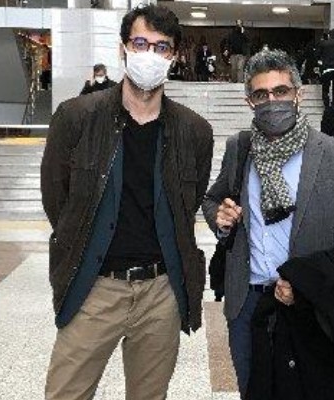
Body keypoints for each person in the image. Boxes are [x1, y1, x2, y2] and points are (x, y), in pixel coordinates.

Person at [41, 5, 213, 400]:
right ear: (123, 48)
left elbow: (186, 206)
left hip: (160, 292)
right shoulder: (77, 117)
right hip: (94, 286)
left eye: (161, 47)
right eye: (140, 43)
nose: (150, 55)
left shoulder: (194, 132)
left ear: (174, 57)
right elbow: (57, 200)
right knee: (66, 393)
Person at [202, 49, 334, 399]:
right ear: (249, 101)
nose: (271, 101)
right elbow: (213, 199)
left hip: (307, 306)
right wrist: (221, 218)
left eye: (280, 91)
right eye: (261, 94)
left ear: (298, 94)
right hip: (247, 304)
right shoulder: (240, 148)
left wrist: (306, 282)